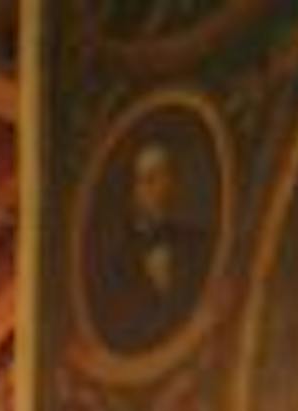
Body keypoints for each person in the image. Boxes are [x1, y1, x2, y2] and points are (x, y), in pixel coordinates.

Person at [92, 134, 214, 355]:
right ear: (132, 193)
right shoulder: (114, 262)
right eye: (149, 180)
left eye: (165, 177)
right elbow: (127, 333)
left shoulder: (198, 243)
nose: (160, 189)